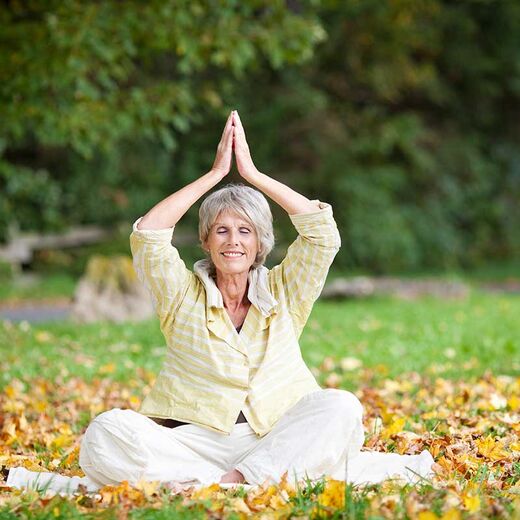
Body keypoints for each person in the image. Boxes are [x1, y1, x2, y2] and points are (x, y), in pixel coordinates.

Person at [5, 110, 434, 494]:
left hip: (273, 434)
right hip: (192, 441)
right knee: (106, 432)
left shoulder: (286, 290)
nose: (233, 241)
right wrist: (214, 175)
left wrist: (251, 174)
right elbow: (150, 236)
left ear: (261, 242)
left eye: (245, 231)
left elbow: (322, 235)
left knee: (341, 407)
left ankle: (231, 483)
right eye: (222, 231)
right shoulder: (180, 294)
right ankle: (244, 481)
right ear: (206, 241)